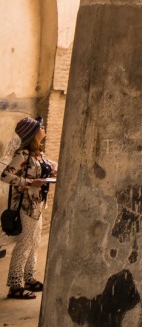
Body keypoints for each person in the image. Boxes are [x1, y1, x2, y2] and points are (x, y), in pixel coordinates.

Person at [2, 116, 56, 300]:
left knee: (34, 242)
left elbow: (49, 167)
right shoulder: (23, 154)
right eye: (40, 127)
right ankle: (15, 285)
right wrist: (30, 182)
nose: (43, 128)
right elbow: (5, 175)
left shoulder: (38, 154)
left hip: (38, 204)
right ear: (33, 133)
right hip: (25, 205)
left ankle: (30, 278)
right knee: (25, 243)